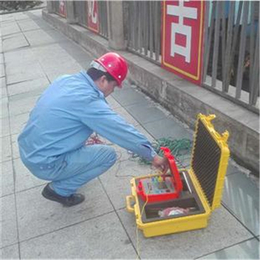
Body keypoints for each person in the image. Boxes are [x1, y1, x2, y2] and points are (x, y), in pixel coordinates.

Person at [18, 52, 169, 207]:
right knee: (108, 155)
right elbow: (121, 131)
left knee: (86, 142)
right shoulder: (87, 100)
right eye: (114, 86)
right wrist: (152, 156)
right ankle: (59, 190)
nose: (112, 91)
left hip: (28, 149)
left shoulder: (65, 80)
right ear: (103, 80)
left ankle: (67, 170)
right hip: (44, 162)